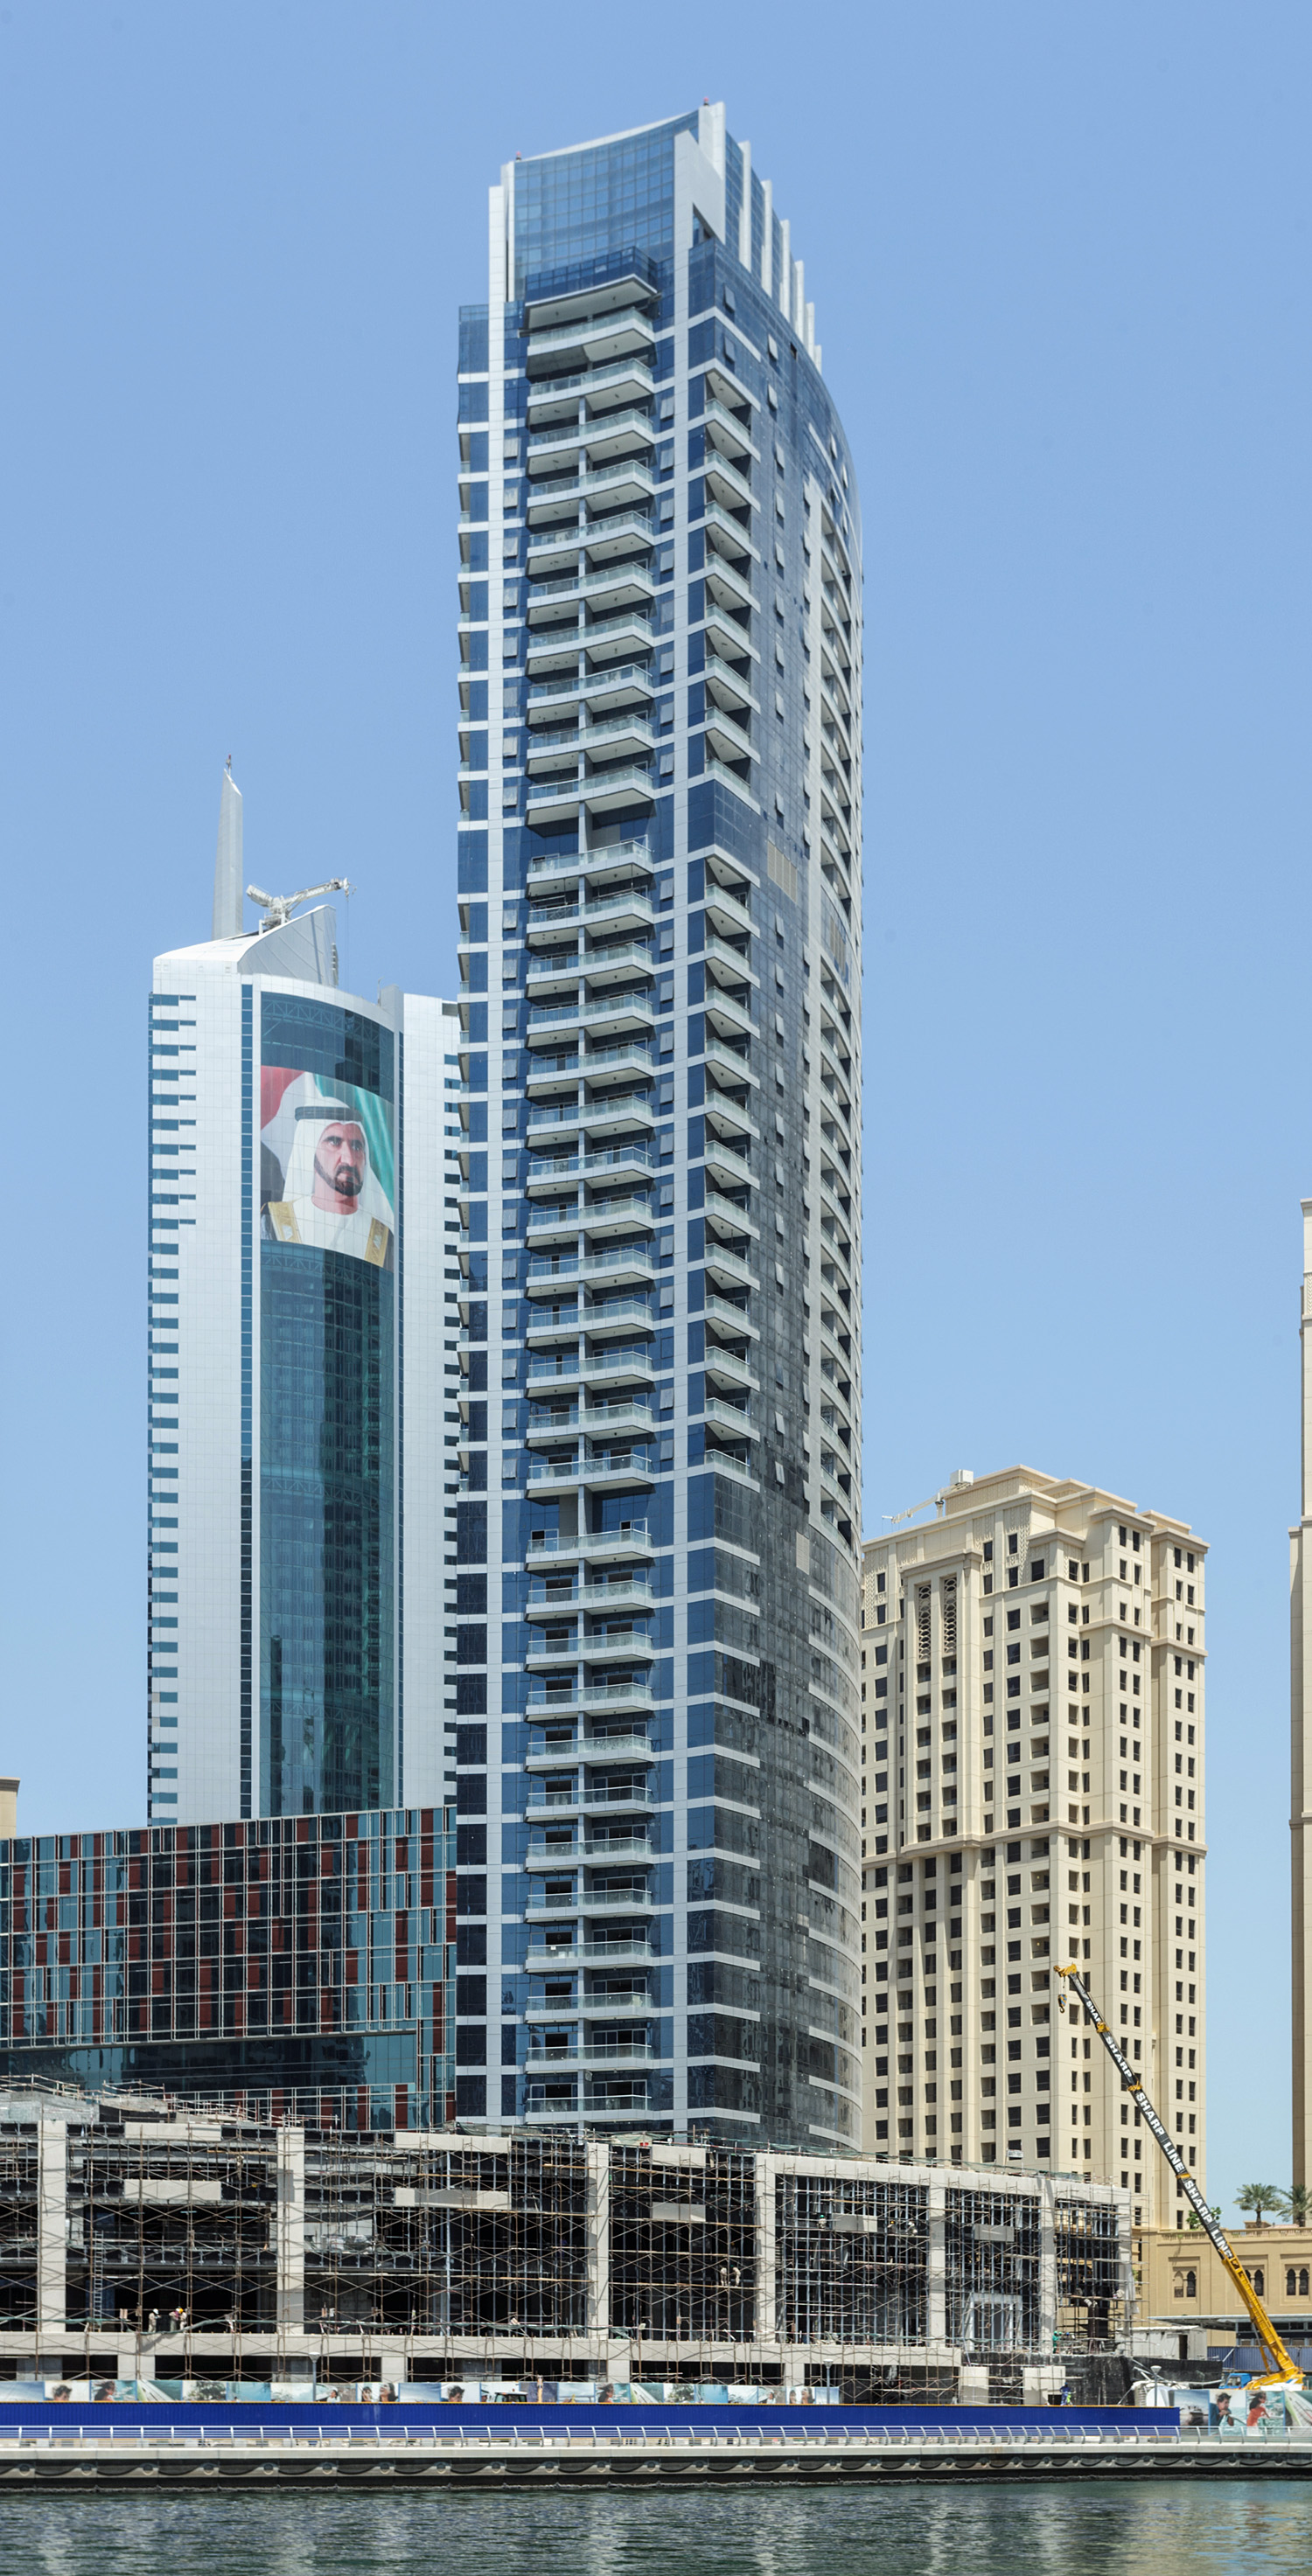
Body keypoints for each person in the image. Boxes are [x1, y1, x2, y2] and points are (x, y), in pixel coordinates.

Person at [264, 1102, 393, 1266]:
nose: (349, 1159)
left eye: (356, 1146)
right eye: (334, 1142)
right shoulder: (272, 1223)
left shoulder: (384, 1240)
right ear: (309, 1153)